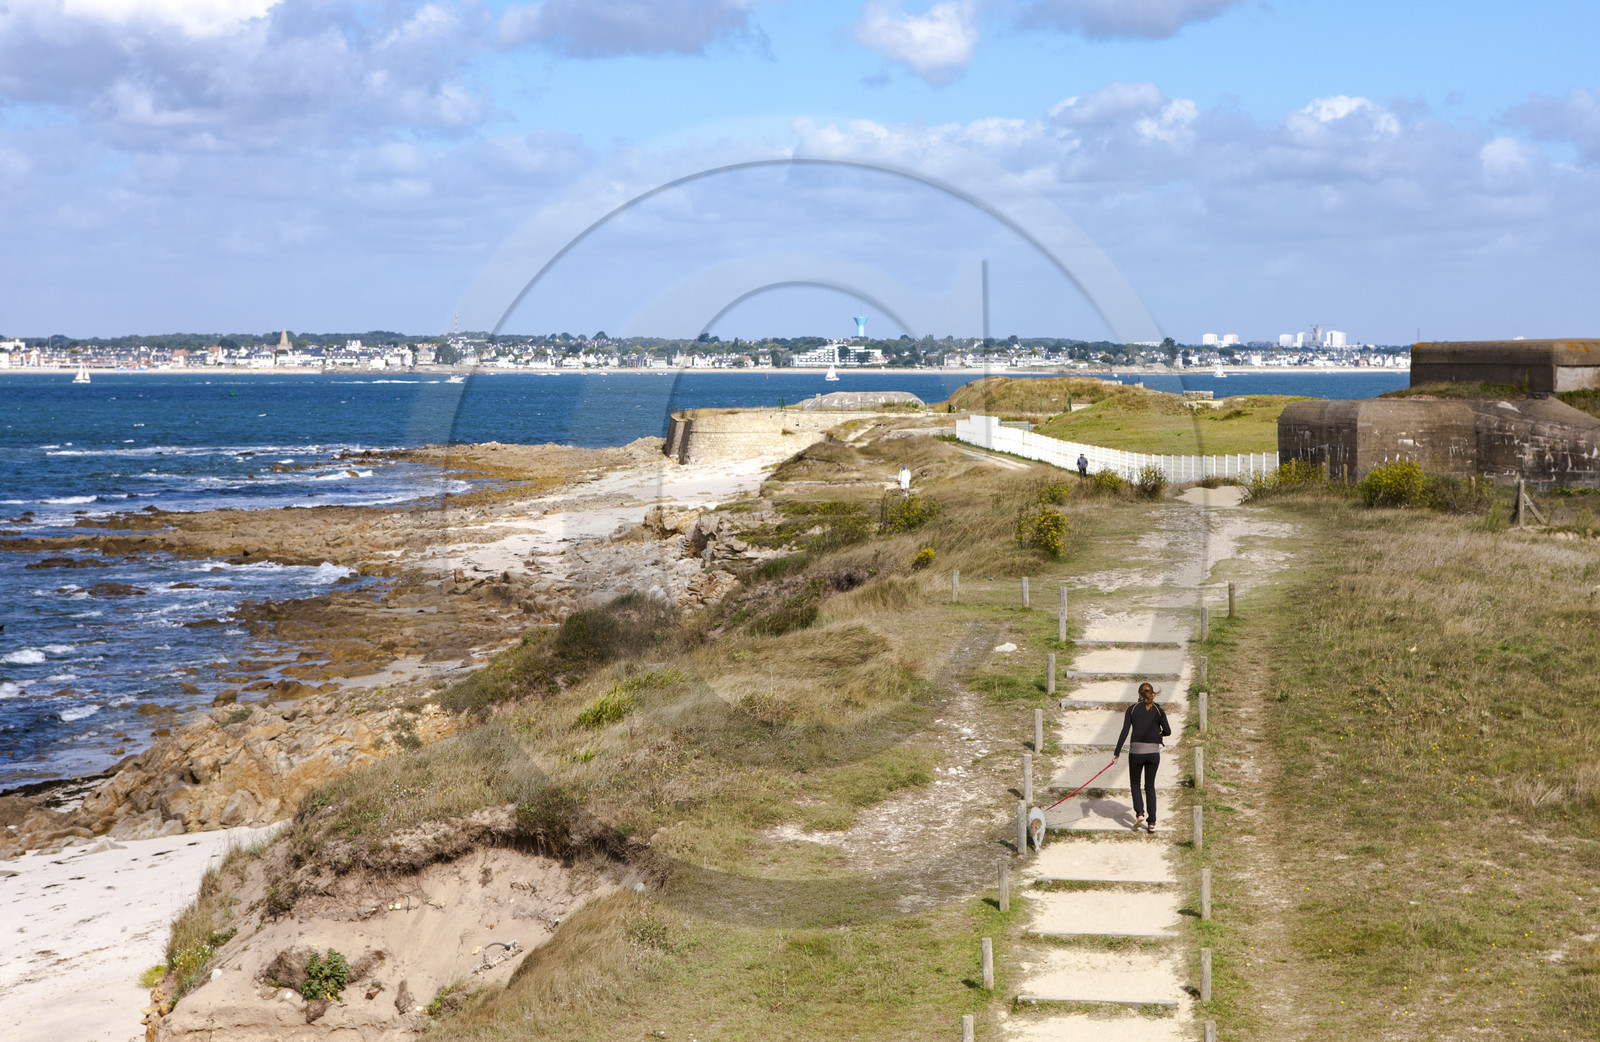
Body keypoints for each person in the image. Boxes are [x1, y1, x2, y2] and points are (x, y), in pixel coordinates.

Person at [1112, 682, 1171, 833]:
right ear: (1151, 694)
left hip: (1136, 753)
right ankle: (1152, 823)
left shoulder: (1132, 710)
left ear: (1138, 694)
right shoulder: (1158, 710)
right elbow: (1168, 731)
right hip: (1153, 754)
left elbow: (1124, 731)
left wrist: (1117, 752)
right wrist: (1158, 734)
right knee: (1150, 787)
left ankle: (1139, 813)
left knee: (1135, 784)